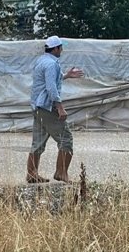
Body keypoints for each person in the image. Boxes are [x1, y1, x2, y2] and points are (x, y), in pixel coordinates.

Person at [26, 35, 84, 183]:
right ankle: (61, 172)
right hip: (47, 107)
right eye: (61, 48)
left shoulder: (42, 60)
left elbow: (50, 80)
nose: (62, 50)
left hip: (38, 106)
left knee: (38, 141)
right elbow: (51, 88)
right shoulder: (52, 64)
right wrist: (60, 108)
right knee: (66, 139)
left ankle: (32, 174)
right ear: (56, 48)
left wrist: (66, 76)